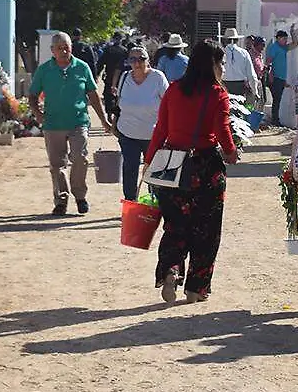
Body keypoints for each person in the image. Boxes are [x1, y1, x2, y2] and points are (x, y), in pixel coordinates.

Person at [146, 41, 239, 304]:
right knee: (206, 230)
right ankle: (196, 288)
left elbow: (160, 129)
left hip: (172, 164)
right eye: (220, 63)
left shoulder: (174, 90)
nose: (222, 68)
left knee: (175, 226)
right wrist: (231, 153)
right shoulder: (217, 94)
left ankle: (172, 271)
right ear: (211, 64)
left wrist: (150, 159)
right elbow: (222, 130)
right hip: (205, 166)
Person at [29, 31, 113, 215]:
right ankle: (61, 201)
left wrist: (103, 119)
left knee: (80, 159)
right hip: (53, 124)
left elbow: (93, 94)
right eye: (59, 48)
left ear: (71, 47)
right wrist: (38, 114)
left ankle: (80, 196)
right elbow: (32, 95)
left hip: (78, 122)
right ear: (52, 50)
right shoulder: (44, 70)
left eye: (66, 47)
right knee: (57, 165)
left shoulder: (82, 67)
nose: (64, 51)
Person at [115, 45, 169, 201]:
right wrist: (113, 125)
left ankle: (155, 202)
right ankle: (130, 201)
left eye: (141, 59)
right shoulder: (125, 77)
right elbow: (119, 103)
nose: (137, 63)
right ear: (128, 62)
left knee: (153, 170)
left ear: (148, 60)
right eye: (133, 59)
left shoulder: (158, 78)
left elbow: (168, 104)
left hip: (153, 135)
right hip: (127, 133)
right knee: (130, 167)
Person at [220, 28, 260, 105]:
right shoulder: (244, 53)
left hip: (225, 85)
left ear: (225, 40)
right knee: (239, 109)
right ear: (237, 40)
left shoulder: (221, 52)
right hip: (240, 87)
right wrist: (255, 91)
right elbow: (251, 74)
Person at [100, 32, 130, 119]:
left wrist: (98, 73)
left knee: (108, 95)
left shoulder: (108, 49)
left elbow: (101, 62)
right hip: (121, 77)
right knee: (119, 95)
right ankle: (117, 114)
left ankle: (109, 113)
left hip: (109, 75)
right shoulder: (124, 50)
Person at [265, 30, 291, 125]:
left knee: (277, 100)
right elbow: (268, 62)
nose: (286, 40)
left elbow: (296, 44)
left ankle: (275, 120)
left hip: (281, 78)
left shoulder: (283, 48)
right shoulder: (274, 47)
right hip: (275, 77)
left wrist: (292, 32)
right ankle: (275, 120)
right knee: (276, 100)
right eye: (284, 38)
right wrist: (271, 75)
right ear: (278, 38)